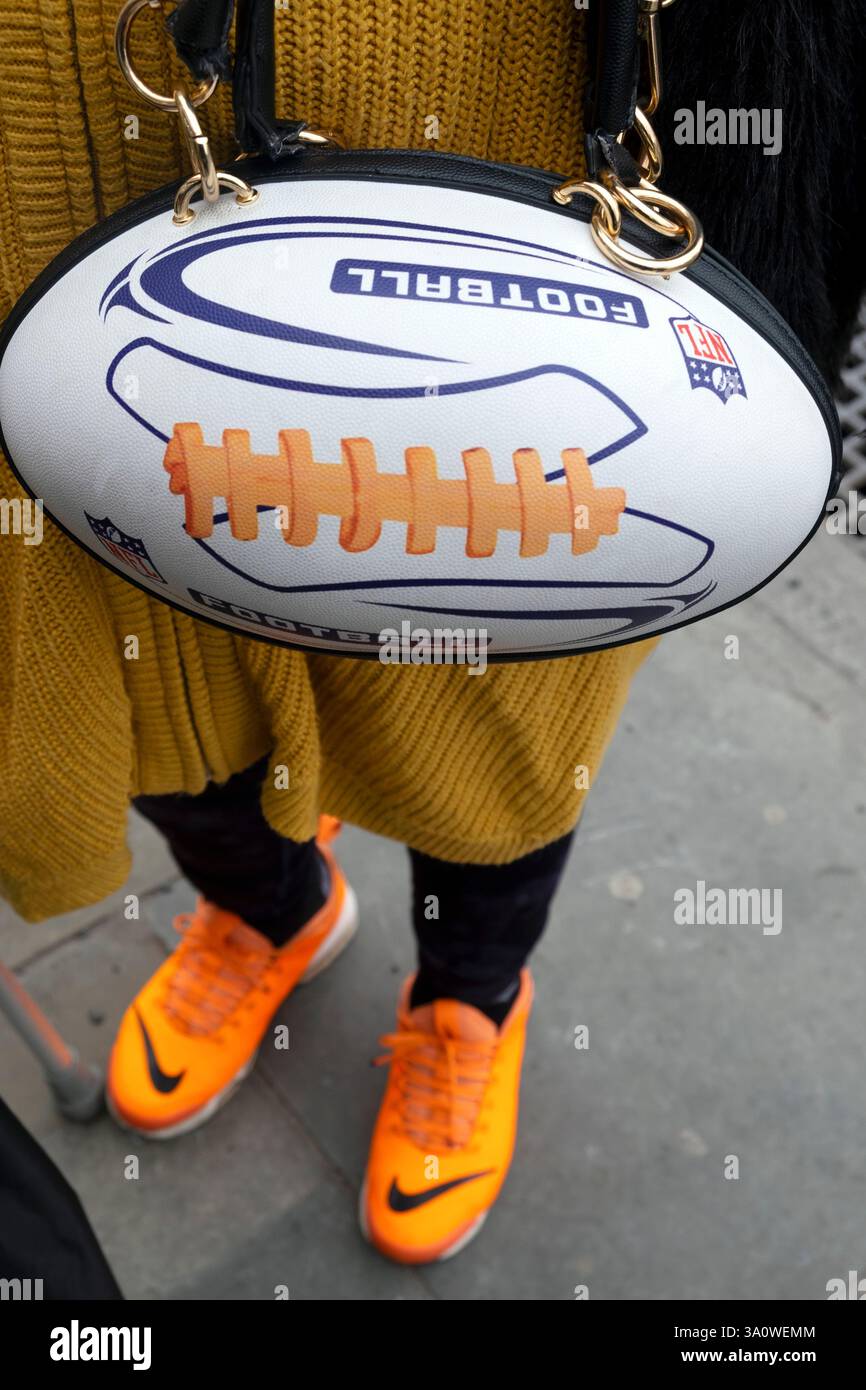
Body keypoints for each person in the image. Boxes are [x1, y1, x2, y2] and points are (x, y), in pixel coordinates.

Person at [1, 0, 862, 1267]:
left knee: (501, 722)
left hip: (505, 135)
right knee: (150, 673)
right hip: (61, 158)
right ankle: (271, 908)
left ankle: (470, 998)